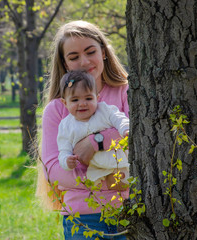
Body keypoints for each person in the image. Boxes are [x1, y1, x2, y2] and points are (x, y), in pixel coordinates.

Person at [38, 20, 129, 240]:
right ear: (65, 63)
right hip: (82, 218)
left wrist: (97, 141)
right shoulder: (56, 110)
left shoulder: (126, 92)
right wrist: (102, 180)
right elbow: (55, 171)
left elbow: (139, 137)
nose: (84, 61)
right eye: (74, 56)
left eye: (90, 52)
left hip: (128, 213)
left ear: (104, 52)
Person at [57, 70, 129, 186]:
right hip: (95, 168)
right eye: (75, 100)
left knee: (125, 183)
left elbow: (119, 118)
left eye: (88, 98)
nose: (82, 104)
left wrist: (125, 129)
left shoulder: (105, 110)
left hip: (121, 161)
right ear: (65, 103)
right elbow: (64, 150)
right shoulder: (66, 126)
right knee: (96, 187)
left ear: (97, 98)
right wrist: (66, 161)